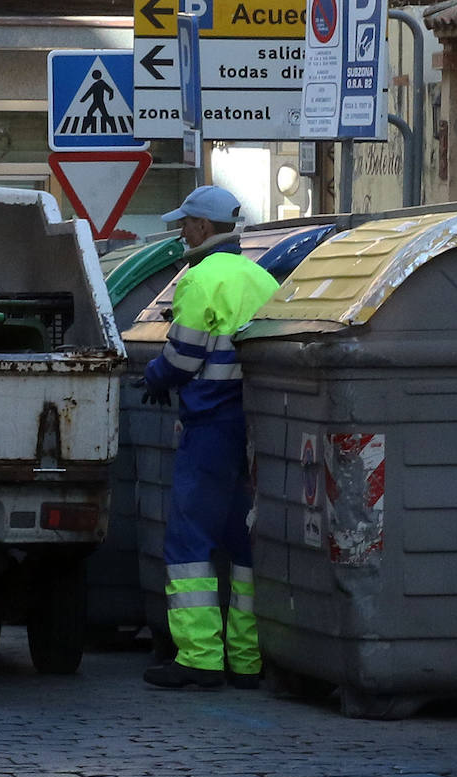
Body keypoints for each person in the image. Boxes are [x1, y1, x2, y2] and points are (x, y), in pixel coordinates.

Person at [140, 185, 280, 690]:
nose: (181, 232)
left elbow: (183, 357)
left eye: (185, 223)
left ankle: (198, 658)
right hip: (253, 424)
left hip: (209, 428)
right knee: (243, 543)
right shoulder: (261, 277)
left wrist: (155, 378)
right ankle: (246, 659)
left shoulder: (198, 280)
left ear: (202, 227)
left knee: (189, 540)